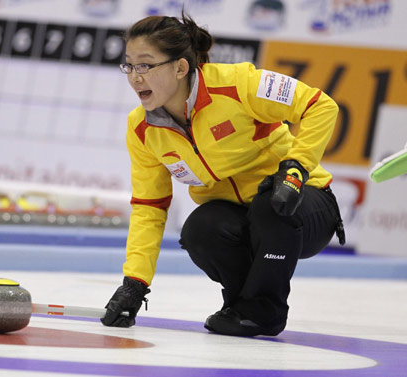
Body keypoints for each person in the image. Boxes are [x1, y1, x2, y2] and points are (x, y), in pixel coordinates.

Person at [100, 12, 345, 337]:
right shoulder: (142, 129)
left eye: (145, 65)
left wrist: (296, 167)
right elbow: (150, 207)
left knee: (269, 203)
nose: (134, 77)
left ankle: (264, 313)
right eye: (128, 65)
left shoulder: (238, 84)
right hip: (243, 216)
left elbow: (320, 106)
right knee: (200, 230)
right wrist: (134, 283)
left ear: (180, 67)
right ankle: (241, 307)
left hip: (302, 204)